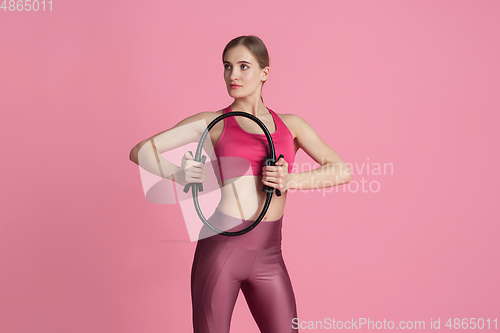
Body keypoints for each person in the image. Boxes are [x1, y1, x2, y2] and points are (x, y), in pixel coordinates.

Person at [129, 35, 352, 333]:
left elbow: (341, 170)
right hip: (221, 251)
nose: (233, 75)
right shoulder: (214, 122)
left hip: (270, 255)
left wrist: (292, 180)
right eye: (227, 66)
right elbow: (141, 150)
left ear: (265, 72)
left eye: (243, 66)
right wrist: (178, 174)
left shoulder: (291, 125)